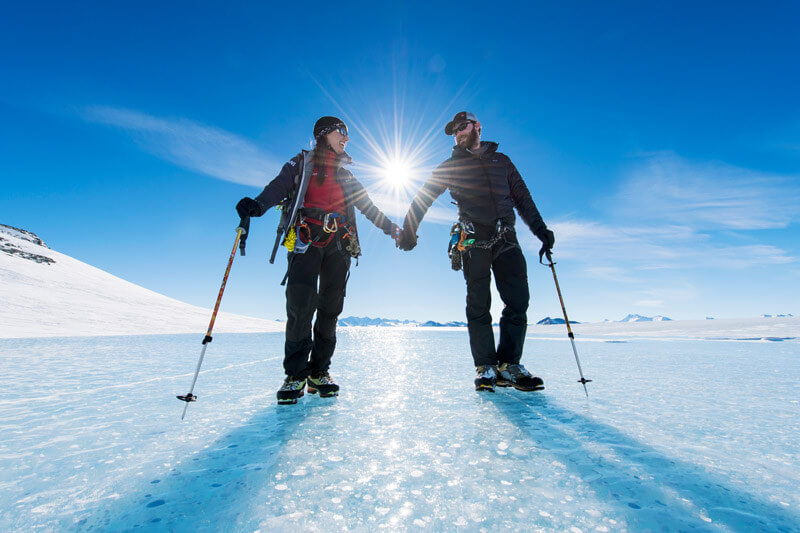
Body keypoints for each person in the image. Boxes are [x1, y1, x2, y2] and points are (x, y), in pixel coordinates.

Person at [236, 116, 400, 404]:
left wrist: (394, 230)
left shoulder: (346, 175)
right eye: (342, 132)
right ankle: (295, 375)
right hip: (304, 240)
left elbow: (368, 207)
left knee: (330, 308)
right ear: (324, 134)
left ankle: (319, 372)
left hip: (339, 243)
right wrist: (257, 205)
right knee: (300, 306)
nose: (346, 138)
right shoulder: (300, 164)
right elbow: (278, 187)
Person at [398, 111, 555, 393]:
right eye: (454, 131)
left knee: (518, 300)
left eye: (462, 127)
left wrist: (541, 231)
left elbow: (523, 198)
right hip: (472, 238)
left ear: (477, 127)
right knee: (479, 303)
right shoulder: (450, 166)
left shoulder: (502, 161)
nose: (458, 133)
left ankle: (509, 365)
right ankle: (485, 366)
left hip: (506, 236)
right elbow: (424, 196)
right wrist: (409, 229)